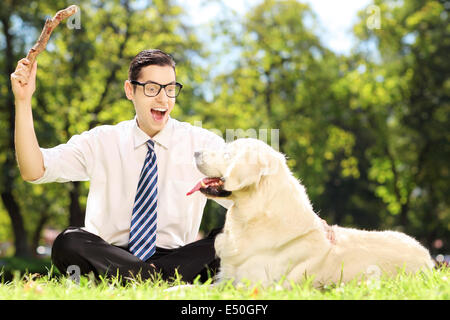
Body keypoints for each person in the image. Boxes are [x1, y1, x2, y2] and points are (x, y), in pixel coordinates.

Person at [11, 49, 335, 284]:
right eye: (151, 89)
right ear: (130, 91)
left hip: (180, 258)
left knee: (231, 236)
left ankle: (145, 280)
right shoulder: (102, 141)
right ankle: (159, 283)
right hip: (110, 255)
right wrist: (23, 102)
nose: (163, 100)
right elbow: (34, 169)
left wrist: (308, 223)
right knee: (69, 241)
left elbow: (253, 187)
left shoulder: (201, 143)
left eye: (170, 89)